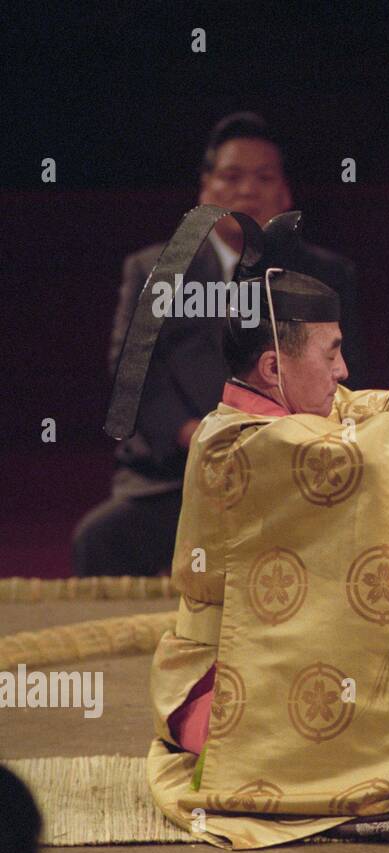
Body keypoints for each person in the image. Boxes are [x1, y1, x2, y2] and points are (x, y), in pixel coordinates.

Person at [121, 207, 389, 849]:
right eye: (332, 353)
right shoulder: (238, 444)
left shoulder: (276, 411)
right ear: (274, 371)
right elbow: (346, 455)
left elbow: (352, 411)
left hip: (276, 661)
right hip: (225, 694)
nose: (343, 372)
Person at [73, 112, 365, 577]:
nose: (247, 190)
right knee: (100, 538)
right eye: (231, 177)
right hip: (176, 478)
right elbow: (133, 373)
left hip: (290, 475)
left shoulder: (326, 275)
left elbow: (346, 374)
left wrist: (282, 441)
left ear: (284, 194)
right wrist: (198, 437)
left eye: (263, 178)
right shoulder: (155, 271)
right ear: (205, 192)